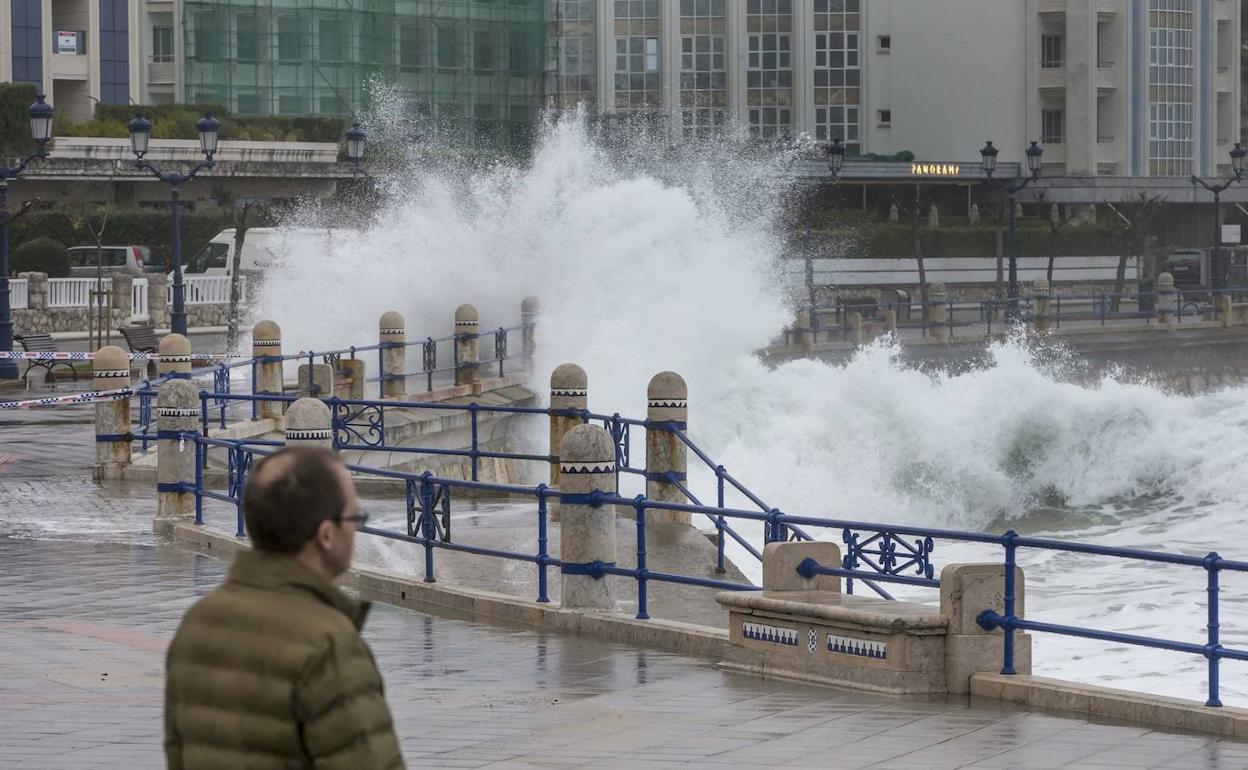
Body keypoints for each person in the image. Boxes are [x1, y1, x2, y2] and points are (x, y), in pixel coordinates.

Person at [164, 446, 404, 769]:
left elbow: (178, 754)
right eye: (354, 517)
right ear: (327, 535)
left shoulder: (197, 624)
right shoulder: (328, 644)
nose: (356, 528)